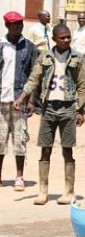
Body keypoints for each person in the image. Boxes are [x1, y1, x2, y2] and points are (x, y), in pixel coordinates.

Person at [14, 24, 85, 205]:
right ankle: (43, 191)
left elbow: (82, 86)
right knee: (45, 149)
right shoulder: (45, 56)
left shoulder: (77, 58)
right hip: (48, 109)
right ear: (54, 39)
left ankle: (69, 191)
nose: (66, 40)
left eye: (68, 37)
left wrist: (80, 110)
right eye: (62, 38)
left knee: (67, 150)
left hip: (68, 108)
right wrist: (23, 98)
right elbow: (34, 79)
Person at [0, 11, 38, 191]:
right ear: (7, 26)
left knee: (20, 139)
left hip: (19, 101)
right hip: (1, 100)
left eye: (20, 24)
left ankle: (19, 176)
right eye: (14, 25)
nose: (18, 27)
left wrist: (32, 101)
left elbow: (35, 76)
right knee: (0, 140)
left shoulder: (29, 47)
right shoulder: (1, 45)